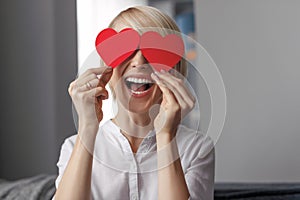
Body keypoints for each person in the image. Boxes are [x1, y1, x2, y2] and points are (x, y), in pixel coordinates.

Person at [54, 6, 214, 200]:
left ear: (174, 71)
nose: (139, 61)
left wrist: (166, 136)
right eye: (125, 49)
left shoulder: (196, 149)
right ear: (107, 70)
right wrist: (87, 126)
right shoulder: (73, 148)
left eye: (153, 51)